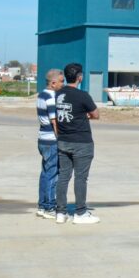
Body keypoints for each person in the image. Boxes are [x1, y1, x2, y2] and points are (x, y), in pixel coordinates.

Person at [55, 63, 100, 224]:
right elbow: (96, 114)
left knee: (63, 177)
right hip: (81, 142)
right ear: (79, 77)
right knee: (80, 178)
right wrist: (85, 116)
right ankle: (80, 212)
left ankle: (60, 212)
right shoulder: (83, 95)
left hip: (63, 141)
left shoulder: (58, 94)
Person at [36, 68, 64, 219]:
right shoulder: (51, 97)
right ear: (53, 83)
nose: (62, 84)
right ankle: (49, 207)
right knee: (52, 174)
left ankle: (42, 205)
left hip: (42, 139)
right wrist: (61, 140)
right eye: (61, 81)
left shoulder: (41, 95)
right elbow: (55, 122)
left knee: (45, 173)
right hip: (51, 140)